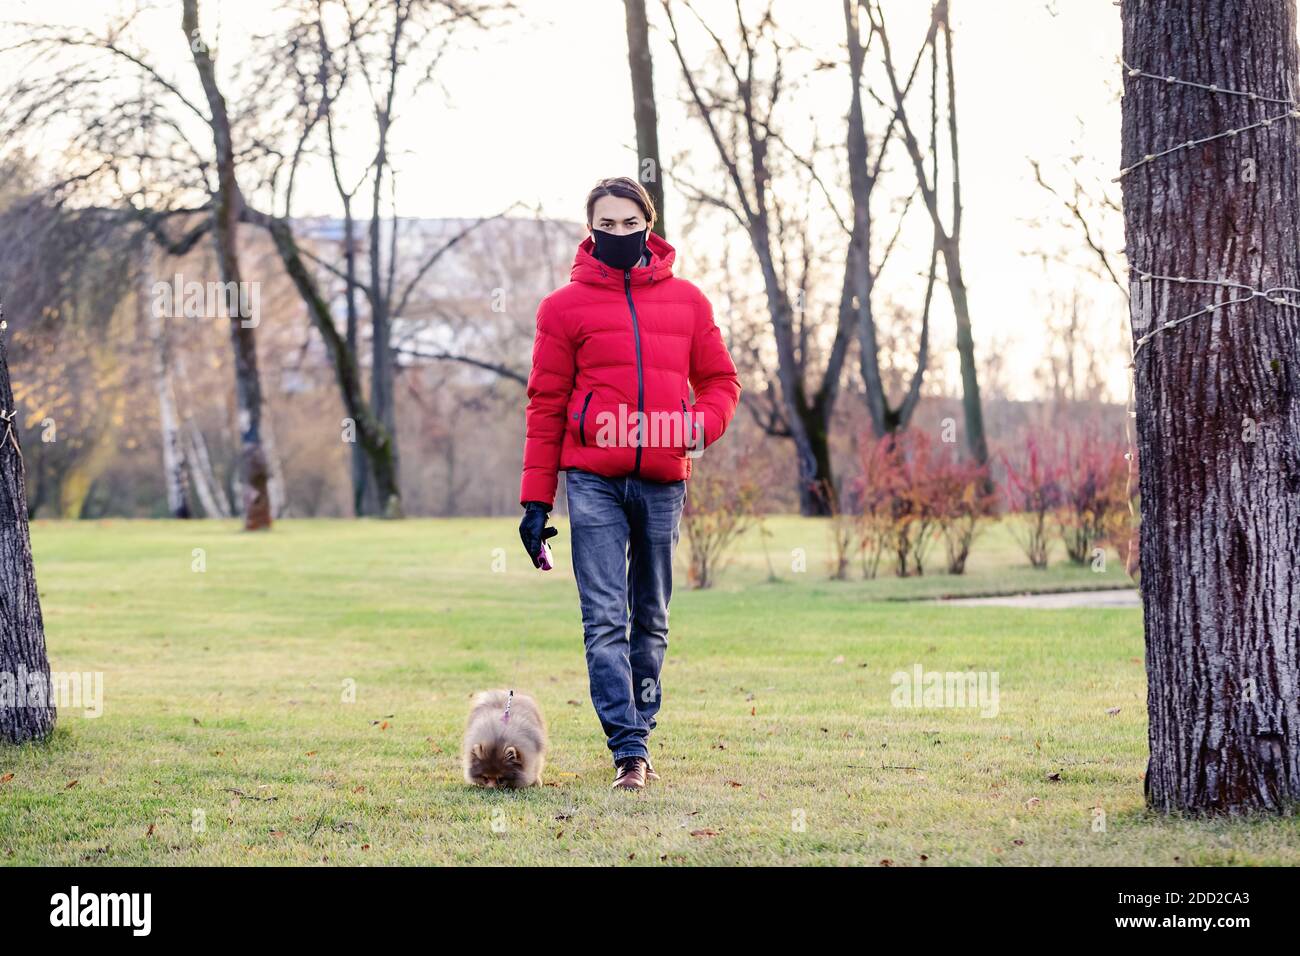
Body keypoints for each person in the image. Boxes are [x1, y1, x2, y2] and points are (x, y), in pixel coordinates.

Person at [518, 176, 741, 790]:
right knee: (604, 620)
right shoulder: (562, 308)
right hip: (591, 479)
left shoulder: (689, 302)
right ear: (591, 230)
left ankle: (638, 725)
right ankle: (630, 750)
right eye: (605, 225)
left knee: (652, 617)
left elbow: (721, 381)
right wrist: (536, 500)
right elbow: (545, 405)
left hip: (663, 481)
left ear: (649, 221)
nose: (617, 234)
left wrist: (699, 426)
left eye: (628, 222)